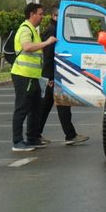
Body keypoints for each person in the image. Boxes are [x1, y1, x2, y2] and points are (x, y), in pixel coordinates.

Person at [36, 15, 90, 146]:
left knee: (46, 107)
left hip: (53, 74)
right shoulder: (52, 30)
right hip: (53, 75)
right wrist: (50, 77)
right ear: (55, 16)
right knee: (62, 104)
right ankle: (70, 135)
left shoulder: (57, 29)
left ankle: (35, 135)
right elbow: (48, 55)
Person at [10, 2, 55, 152]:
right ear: (32, 14)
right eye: (40, 14)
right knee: (22, 108)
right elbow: (27, 47)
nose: (43, 16)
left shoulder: (33, 30)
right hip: (23, 75)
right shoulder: (25, 29)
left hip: (33, 76)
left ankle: (32, 138)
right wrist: (47, 42)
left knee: (36, 108)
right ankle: (17, 141)